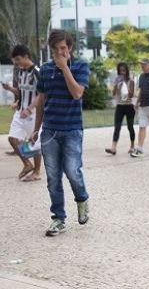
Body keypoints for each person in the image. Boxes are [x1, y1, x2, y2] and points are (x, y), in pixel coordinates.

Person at [32, 29, 90, 237]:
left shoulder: (80, 66)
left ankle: (82, 199)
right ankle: (58, 218)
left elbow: (77, 93)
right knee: (53, 177)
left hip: (72, 130)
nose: (59, 52)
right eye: (55, 49)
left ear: (70, 48)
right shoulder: (45, 70)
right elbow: (41, 100)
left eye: (63, 48)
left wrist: (65, 68)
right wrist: (36, 128)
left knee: (73, 172)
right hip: (49, 131)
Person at [2, 45, 42, 182]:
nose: (17, 63)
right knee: (12, 138)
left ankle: (37, 172)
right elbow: (22, 92)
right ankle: (27, 164)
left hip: (34, 113)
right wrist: (10, 90)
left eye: (18, 59)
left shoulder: (37, 72)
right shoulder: (21, 72)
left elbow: (42, 95)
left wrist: (30, 108)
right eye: (15, 61)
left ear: (26, 56)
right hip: (20, 112)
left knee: (35, 143)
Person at [105, 62, 135, 155]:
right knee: (117, 127)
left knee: (130, 127)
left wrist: (125, 86)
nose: (122, 72)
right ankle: (113, 148)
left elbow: (131, 95)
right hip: (120, 106)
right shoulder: (117, 80)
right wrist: (116, 85)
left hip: (129, 106)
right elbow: (113, 93)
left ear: (127, 71)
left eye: (124, 70)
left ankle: (132, 146)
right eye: (120, 70)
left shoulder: (131, 81)